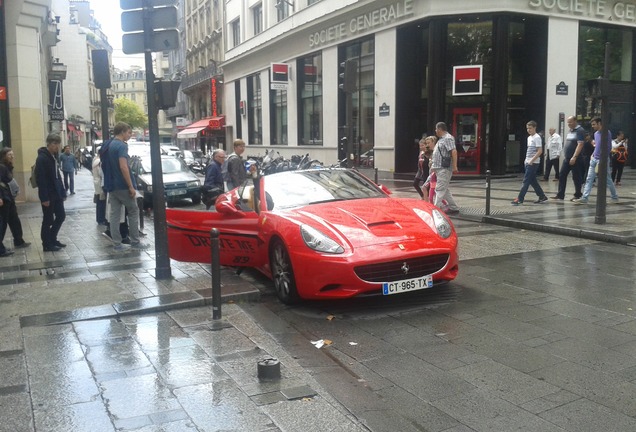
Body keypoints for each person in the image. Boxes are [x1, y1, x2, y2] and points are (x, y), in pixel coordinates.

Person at [100, 122, 147, 251]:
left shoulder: (108, 145)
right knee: (133, 211)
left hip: (111, 185)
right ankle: (135, 241)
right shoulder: (121, 146)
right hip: (123, 185)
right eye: (128, 132)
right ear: (122, 132)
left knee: (114, 215)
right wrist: (131, 186)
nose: (130, 135)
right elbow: (123, 166)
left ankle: (117, 244)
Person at [573, 117, 619, 205]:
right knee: (589, 178)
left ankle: (614, 197)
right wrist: (593, 154)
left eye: (594, 124)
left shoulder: (606, 133)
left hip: (602, 160)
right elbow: (597, 146)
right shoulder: (596, 134)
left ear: (599, 124)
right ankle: (585, 197)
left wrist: (602, 158)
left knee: (607, 179)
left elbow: (608, 147)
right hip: (594, 159)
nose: (592, 126)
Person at [35, 133, 67, 252]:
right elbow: (41, 179)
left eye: (58, 144)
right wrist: (44, 198)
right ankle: (47, 244)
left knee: (61, 215)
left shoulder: (53, 157)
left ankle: (52, 238)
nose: (56, 146)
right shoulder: (42, 158)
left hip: (56, 192)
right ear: (48, 143)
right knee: (48, 219)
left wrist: (63, 191)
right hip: (48, 193)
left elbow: (58, 175)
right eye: (54, 143)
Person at [0, 148, 30, 252]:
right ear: (4, 156)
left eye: (12, 154)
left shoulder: (8, 167)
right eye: (9, 155)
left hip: (9, 198)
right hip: (4, 198)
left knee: (14, 220)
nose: (12, 157)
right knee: (3, 223)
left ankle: (18, 240)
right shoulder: (2, 167)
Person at [511, 121, 548, 205]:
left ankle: (520, 199)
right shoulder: (529, 138)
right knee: (532, 181)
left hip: (533, 163)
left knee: (526, 180)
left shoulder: (537, 137)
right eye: (527, 128)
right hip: (528, 162)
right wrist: (526, 160)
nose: (528, 130)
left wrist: (531, 160)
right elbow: (529, 150)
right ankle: (542, 196)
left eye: (530, 128)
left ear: (535, 128)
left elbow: (540, 151)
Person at [551, 116, 585, 201]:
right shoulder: (570, 131)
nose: (569, 124)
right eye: (568, 122)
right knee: (562, 175)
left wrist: (574, 157)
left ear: (575, 121)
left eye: (570, 122)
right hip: (567, 158)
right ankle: (560, 194)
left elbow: (580, 144)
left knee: (576, 177)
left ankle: (578, 194)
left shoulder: (580, 130)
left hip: (575, 158)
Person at [431, 122, 460, 215]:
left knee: (439, 189)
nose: (435, 131)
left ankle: (435, 209)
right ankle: (453, 207)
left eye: (436, 129)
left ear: (439, 129)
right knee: (444, 189)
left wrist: (455, 166)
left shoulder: (448, 138)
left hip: (444, 168)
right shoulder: (442, 139)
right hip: (440, 168)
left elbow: (454, 152)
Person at [92, 150, 108, 225]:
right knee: (101, 201)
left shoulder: (95, 159)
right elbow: (101, 173)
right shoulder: (99, 161)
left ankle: (99, 218)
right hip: (100, 183)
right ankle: (101, 219)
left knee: (99, 201)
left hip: (96, 182)